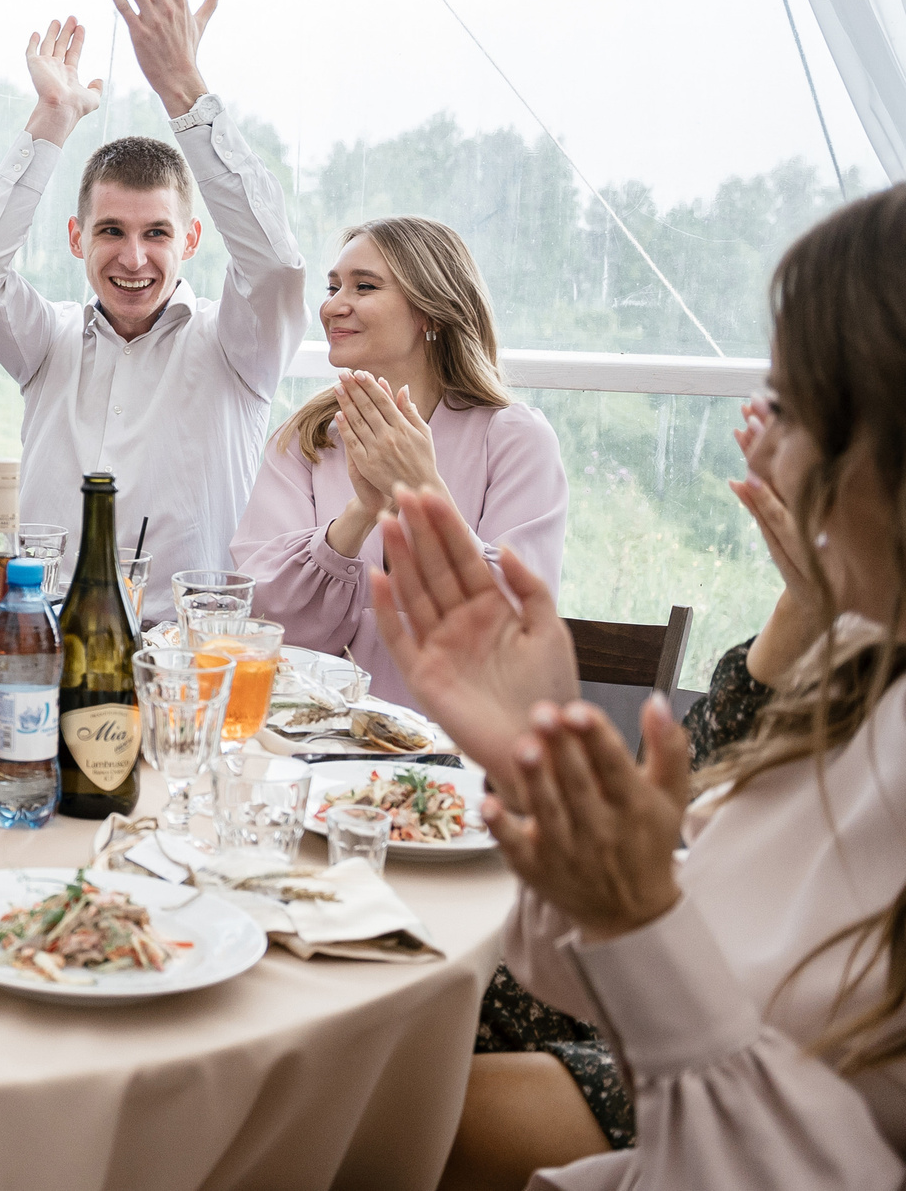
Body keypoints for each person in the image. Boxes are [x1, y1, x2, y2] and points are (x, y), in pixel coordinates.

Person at [375, 185, 906, 1191]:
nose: (766, 455)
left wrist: (635, 914)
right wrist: (537, 750)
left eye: (790, 410)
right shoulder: (864, 664)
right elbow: (612, 966)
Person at [0, 0, 308, 621]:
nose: (134, 259)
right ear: (78, 237)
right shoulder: (47, 342)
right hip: (45, 654)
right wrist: (51, 121)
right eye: (112, 231)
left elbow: (277, 266)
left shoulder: (236, 350)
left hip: (187, 667)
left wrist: (183, 89)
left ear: (191, 239)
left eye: (157, 233)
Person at [229, 216, 565, 707]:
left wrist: (421, 488)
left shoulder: (516, 439)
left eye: (364, 286)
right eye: (332, 286)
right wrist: (359, 515)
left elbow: (516, 627)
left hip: (459, 751)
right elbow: (261, 621)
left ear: (429, 312)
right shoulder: (305, 440)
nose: (332, 305)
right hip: (309, 744)